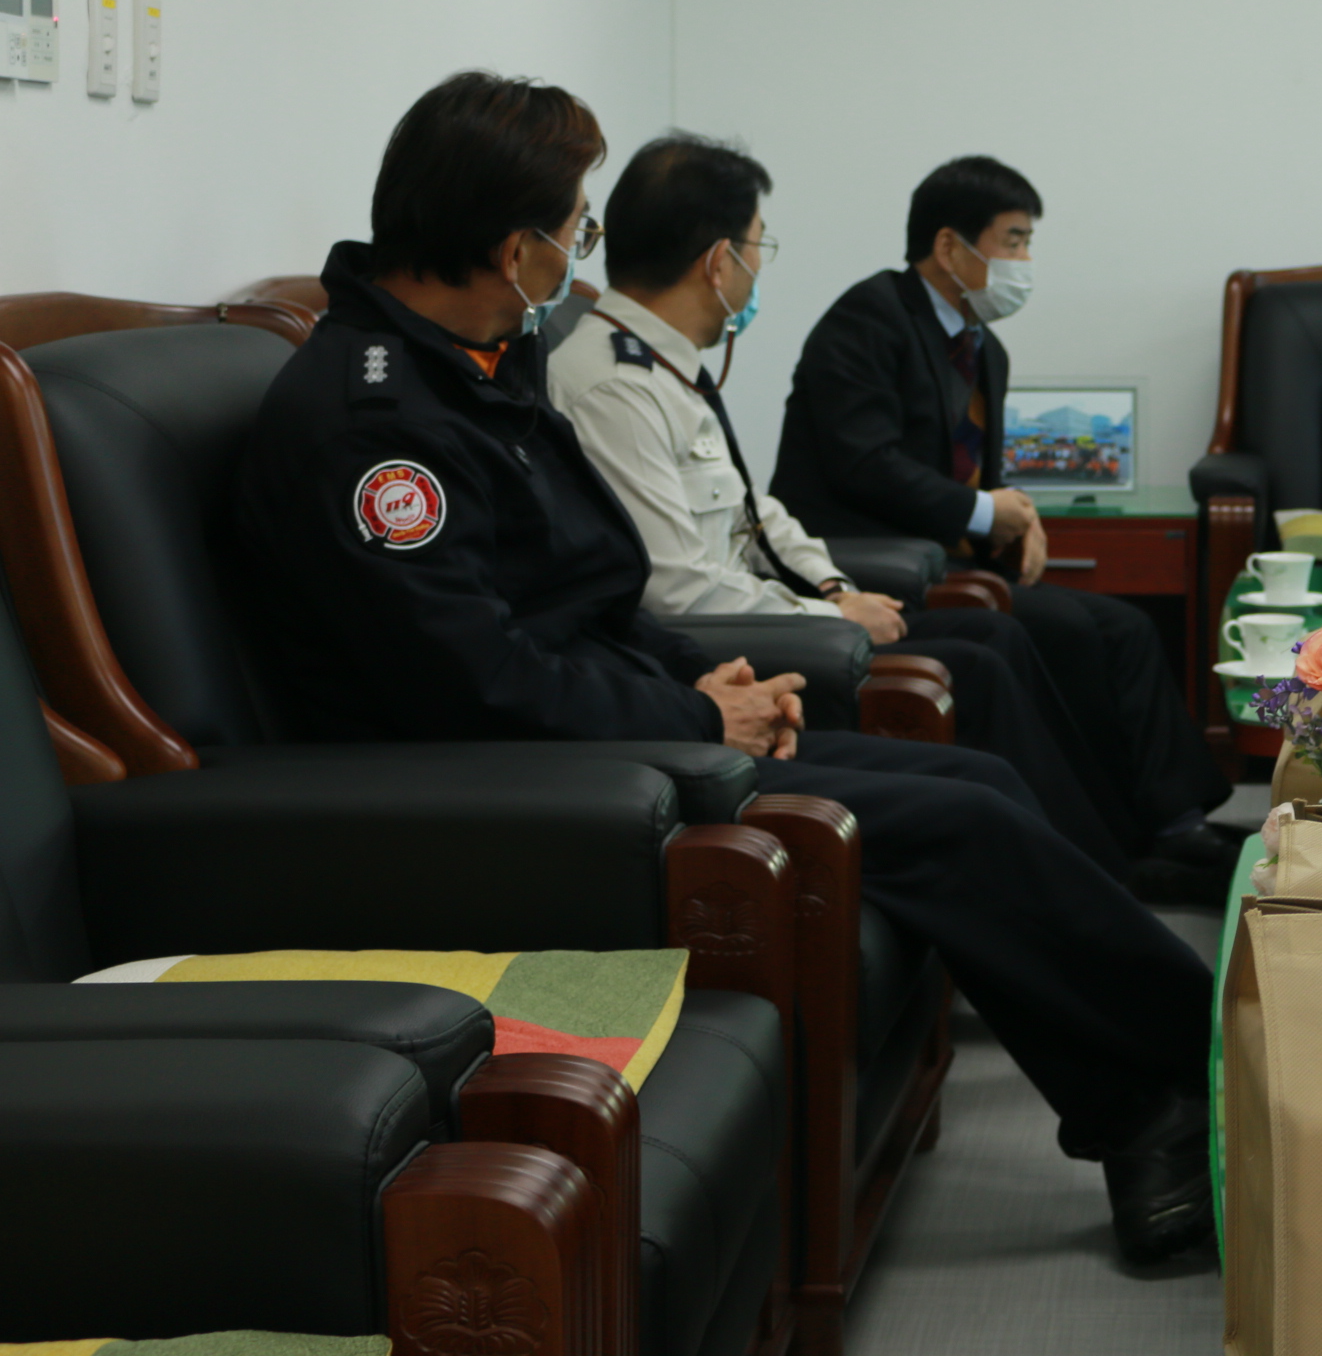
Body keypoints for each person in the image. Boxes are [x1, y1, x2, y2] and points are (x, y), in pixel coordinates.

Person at [229, 72, 1217, 1264]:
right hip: (515, 787)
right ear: (512, 247)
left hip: (613, 727)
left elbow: (594, 588)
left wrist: (706, 686)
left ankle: (1169, 1090)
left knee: (981, 784)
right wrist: (691, 717)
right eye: (576, 225)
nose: (582, 252)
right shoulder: (375, 427)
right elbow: (472, 679)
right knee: (963, 825)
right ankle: (1180, 1093)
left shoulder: (477, 364)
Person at [547, 132, 1224, 901]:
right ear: (718, 261)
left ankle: (1123, 848)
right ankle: (1100, 877)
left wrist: (834, 590)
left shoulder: (670, 366)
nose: (761, 265)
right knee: (991, 652)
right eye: (759, 244)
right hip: (739, 639)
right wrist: (828, 614)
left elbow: (756, 516)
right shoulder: (618, 384)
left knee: (1034, 638)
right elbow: (682, 588)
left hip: (791, 604)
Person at [772, 155, 1234, 855]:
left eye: (1028, 243)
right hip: (868, 562)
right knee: (1068, 631)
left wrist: (1017, 524)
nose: (1024, 262)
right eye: (1013, 241)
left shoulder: (984, 349)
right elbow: (864, 465)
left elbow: (973, 478)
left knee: (1126, 628)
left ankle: (1174, 822)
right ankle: (1113, 841)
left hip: (950, 559)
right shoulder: (867, 319)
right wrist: (988, 513)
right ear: (949, 246)